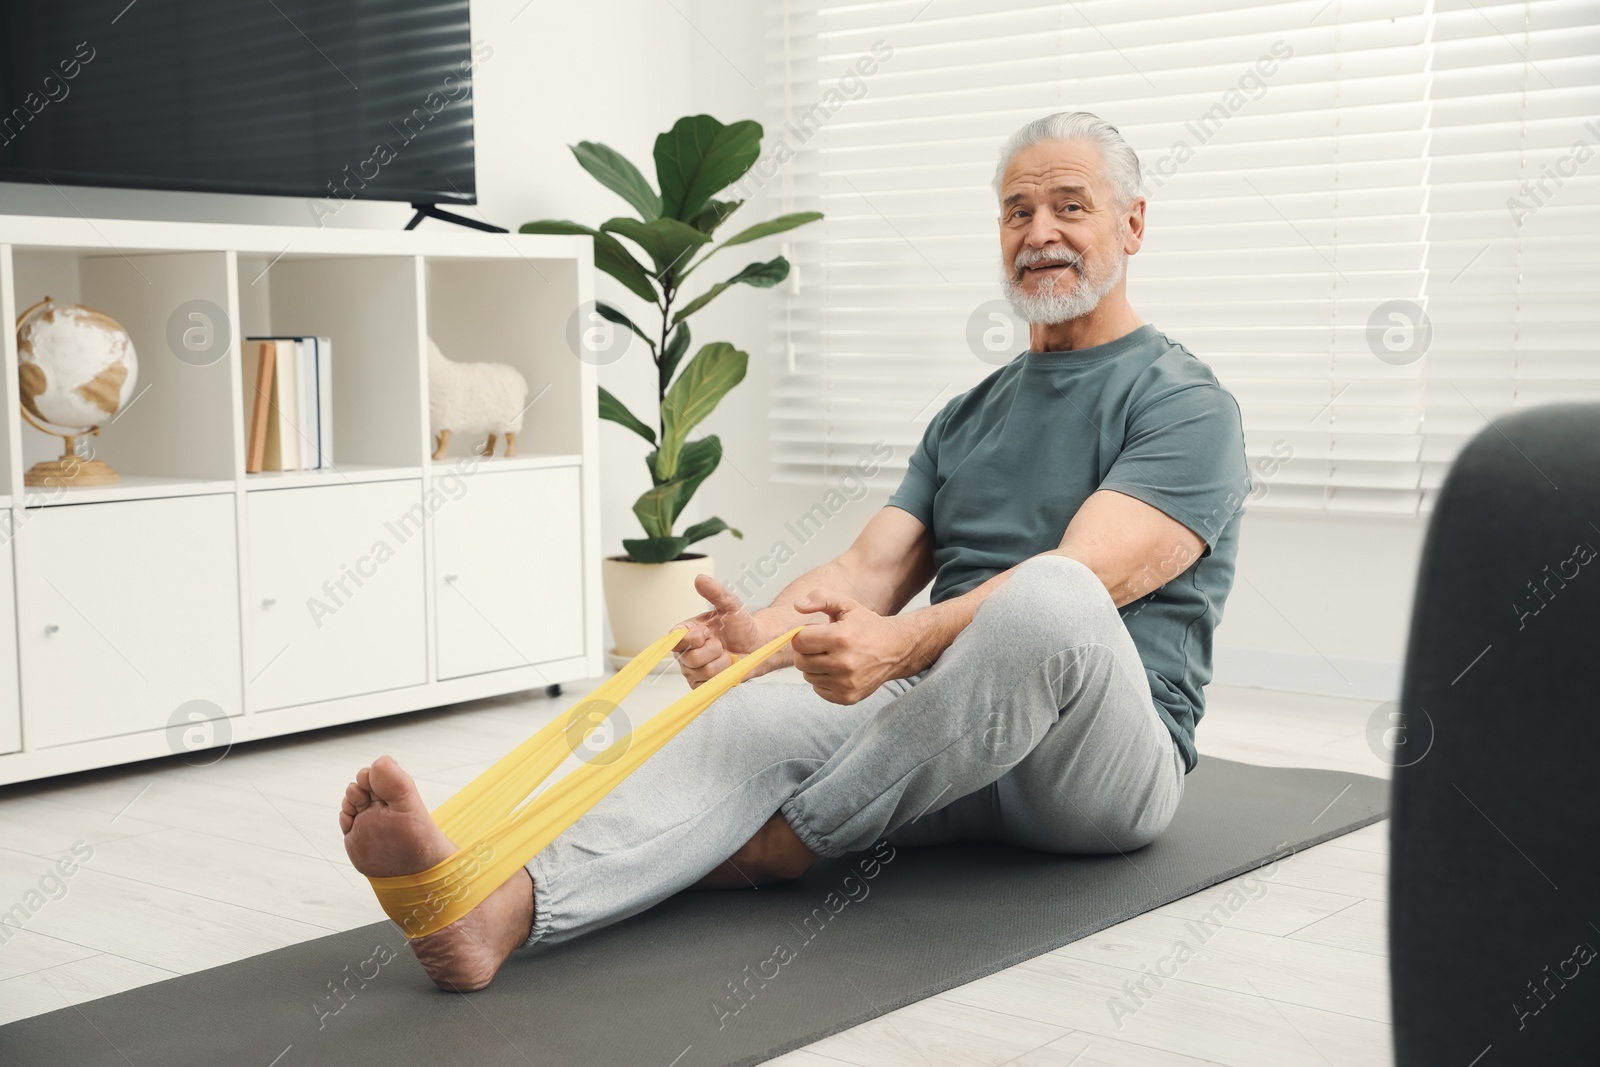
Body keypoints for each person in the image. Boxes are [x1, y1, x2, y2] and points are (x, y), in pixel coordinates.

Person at [340, 110, 1252, 992]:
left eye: (1070, 205)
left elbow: (1090, 573)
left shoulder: (1186, 403)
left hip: (1092, 772)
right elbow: (867, 571)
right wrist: (764, 636)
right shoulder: (968, 415)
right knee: (744, 718)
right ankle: (494, 910)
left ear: (1132, 224)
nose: (1039, 231)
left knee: (1052, 598)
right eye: (1018, 211)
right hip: (943, 742)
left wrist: (900, 644)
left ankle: (791, 840)